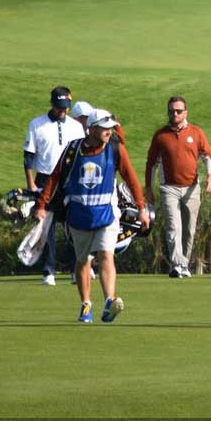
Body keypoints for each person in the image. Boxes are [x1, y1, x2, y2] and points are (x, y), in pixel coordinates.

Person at [33, 109, 150, 323]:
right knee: (82, 260)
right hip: (79, 215)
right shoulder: (73, 150)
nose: (109, 131)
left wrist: (142, 208)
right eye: (105, 128)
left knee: (106, 255)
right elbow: (55, 177)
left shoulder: (116, 149)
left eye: (111, 127)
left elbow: (131, 179)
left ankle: (109, 301)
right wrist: (41, 204)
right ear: (92, 129)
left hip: (107, 214)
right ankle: (86, 304)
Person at [145, 96, 211, 279]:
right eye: (171, 111)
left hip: (192, 188)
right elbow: (151, 163)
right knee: (173, 226)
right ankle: (178, 264)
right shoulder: (161, 135)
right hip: (169, 188)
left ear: (185, 112)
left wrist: (210, 178)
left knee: (189, 229)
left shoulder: (196, 133)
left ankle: (184, 264)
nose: (174, 114)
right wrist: (148, 188)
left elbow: (208, 156)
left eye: (178, 111)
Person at [23, 86, 86, 285]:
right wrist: (31, 184)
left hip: (70, 181)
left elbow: (82, 154)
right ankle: (48, 271)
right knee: (46, 228)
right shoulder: (36, 124)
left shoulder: (76, 127)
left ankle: (77, 270)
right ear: (51, 104)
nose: (63, 111)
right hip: (44, 179)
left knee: (74, 227)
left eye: (66, 107)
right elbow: (28, 157)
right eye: (59, 107)